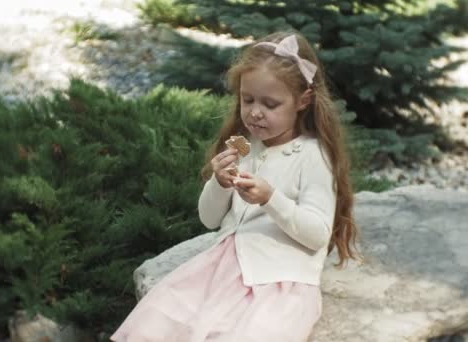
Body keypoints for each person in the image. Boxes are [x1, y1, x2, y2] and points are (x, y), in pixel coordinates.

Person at [110, 31, 362, 342]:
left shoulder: (313, 156)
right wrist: (219, 182)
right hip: (222, 266)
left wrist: (270, 197)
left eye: (270, 104)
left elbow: (316, 234)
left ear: (303, 101)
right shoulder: (244, 145)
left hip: (278, 279)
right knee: (163, 315)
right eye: (248, 99)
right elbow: (210, 220)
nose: (255, 112)